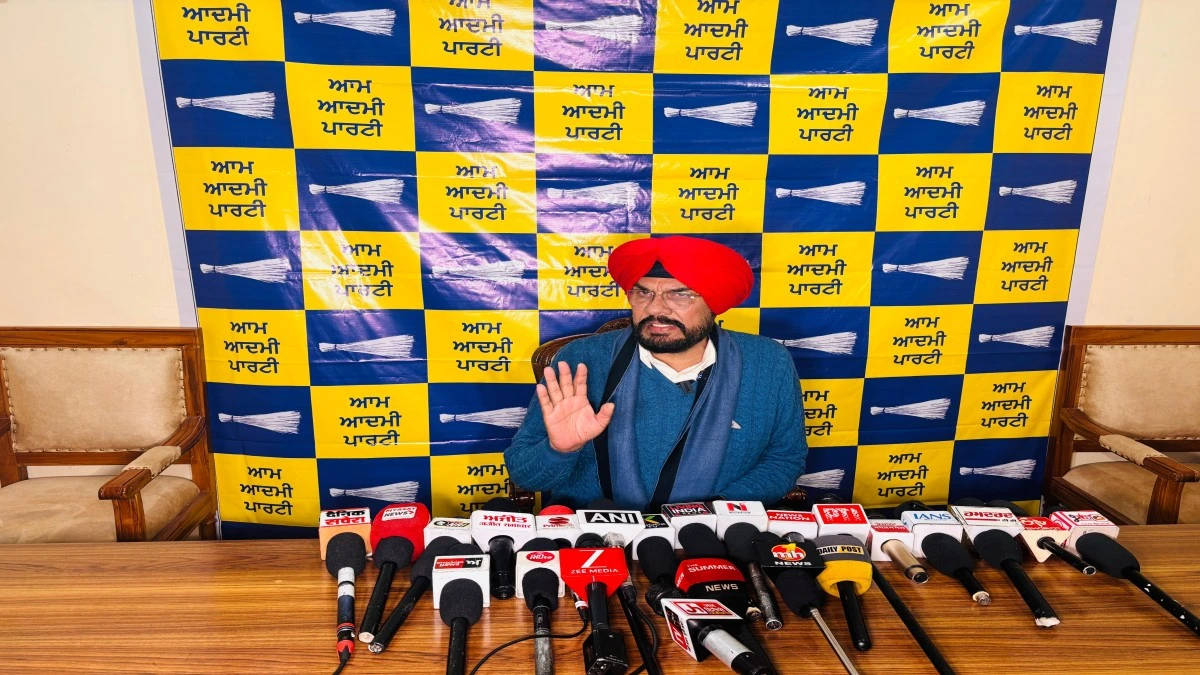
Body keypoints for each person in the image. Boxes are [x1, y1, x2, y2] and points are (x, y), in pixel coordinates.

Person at [504, 235, 807, 511]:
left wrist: (714, 513)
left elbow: (783, 459)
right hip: (593, 533)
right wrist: (560, 449)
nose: (655, 309)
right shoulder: (582, 360)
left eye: (679, 295)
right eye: (643, 293)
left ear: (714, 303)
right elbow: (526, 476)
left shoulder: (768, 362)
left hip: (714, 533)